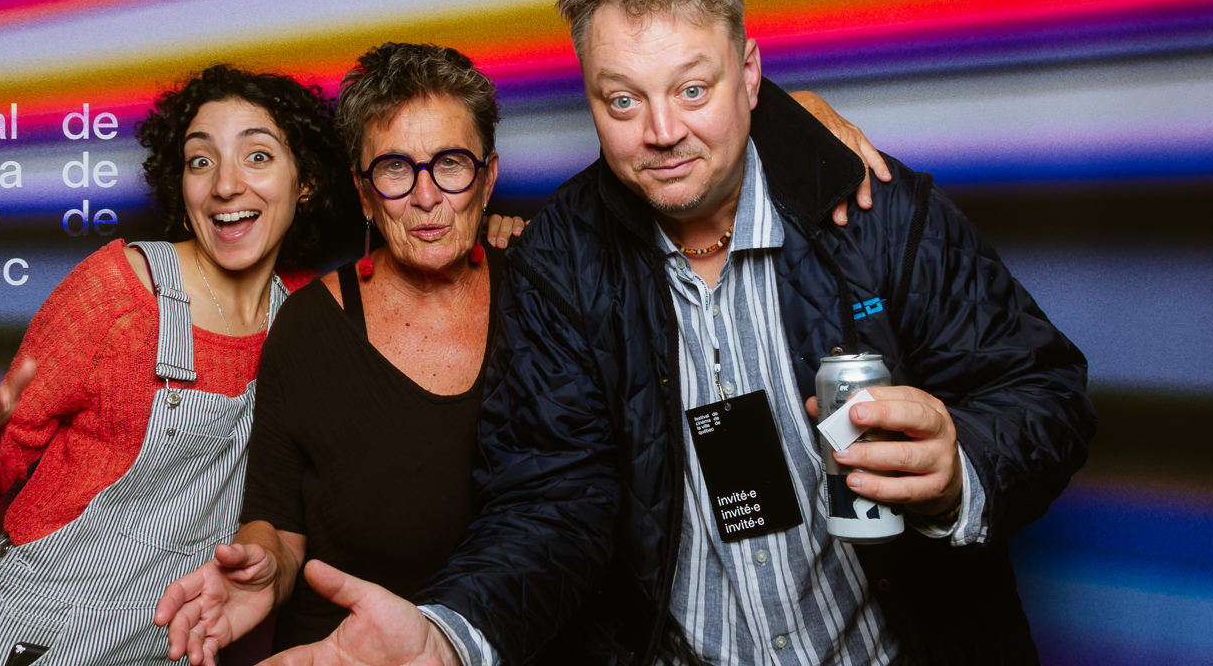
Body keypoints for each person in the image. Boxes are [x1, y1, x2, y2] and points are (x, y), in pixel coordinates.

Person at [261, 0, 1097, 666]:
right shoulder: (562, 263)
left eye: (692, 89)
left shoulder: (870, 210)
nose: (662, 132)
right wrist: (452, 636)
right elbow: (552, 497)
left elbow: (1042, 389)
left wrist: (961, 467)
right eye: (623, 99)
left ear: (749, 75)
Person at [155, 44, 888, 665]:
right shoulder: (311, 327)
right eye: (395, 169)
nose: (426, 197)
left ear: (489, 175)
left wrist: (789, 122)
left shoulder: (552, 288)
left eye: (451, 163)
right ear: (364, 192)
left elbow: (673, 174)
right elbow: (276, 521)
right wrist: (264, 565)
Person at [0, 64, 350, 666]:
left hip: (166, 645)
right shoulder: (116, 293)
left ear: (307, 181)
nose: (225, 184)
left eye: (257, 156)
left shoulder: (301, 315)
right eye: (201, 161)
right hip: (23, 637)